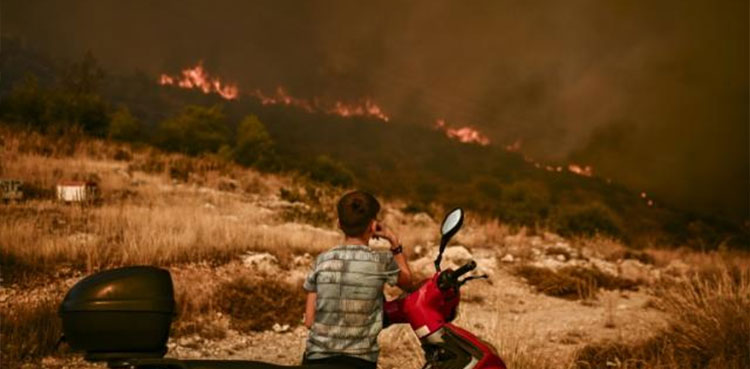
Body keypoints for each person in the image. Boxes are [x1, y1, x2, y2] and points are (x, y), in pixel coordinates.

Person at [301, 190, 413, 369]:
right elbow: (408, 283)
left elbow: (309, 321)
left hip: (315, 360)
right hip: (360, 362)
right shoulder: (381, 261)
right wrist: (395, 243)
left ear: (339, 223)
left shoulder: (321, 261)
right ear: (372, 225)